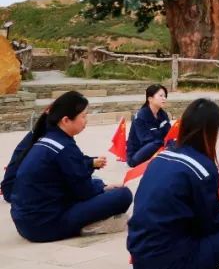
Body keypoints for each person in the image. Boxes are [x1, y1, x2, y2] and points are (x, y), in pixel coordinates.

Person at [128, 98, 219, 268]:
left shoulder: (160, 158)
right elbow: (210, 224)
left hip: (140, 257)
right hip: (176, 262)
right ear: (209, 132)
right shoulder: (202, 168)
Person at [10, 91, 133, 242]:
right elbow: (84, 192)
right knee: (123, 195)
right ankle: (88, 225)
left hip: (25, 222)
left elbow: (74, 178)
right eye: (83, 116)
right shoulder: (64, 147)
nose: (86, 120)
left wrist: (101, 185)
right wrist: (103, 188)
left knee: (95, 181)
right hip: (45, 226)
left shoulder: (47, 139)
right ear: (66, 120)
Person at [127, 84, 172, 167]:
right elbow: (145, 139)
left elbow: (169, 133)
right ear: (150, 99)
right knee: (157, 143)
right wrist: (163, 140)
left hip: (156, 147)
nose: (164, 98)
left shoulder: (163, 114)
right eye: (161, 96)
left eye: (165, 96)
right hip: (137, 154)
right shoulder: (140, 116)